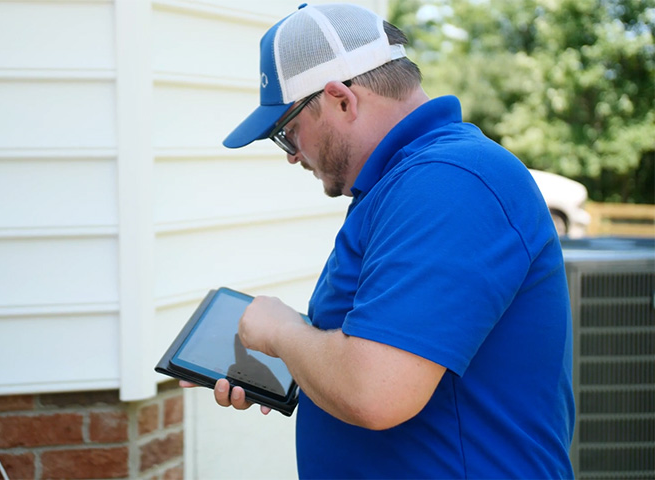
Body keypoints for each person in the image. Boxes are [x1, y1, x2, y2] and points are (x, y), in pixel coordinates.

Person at [184, 3, 576, 478]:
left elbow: (377, 391)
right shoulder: (407, 181)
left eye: (287, 133)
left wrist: (281, 331)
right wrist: (290, 367)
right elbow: (379, 352)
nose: (292, 155)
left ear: (341, 99)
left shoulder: (449, 181)